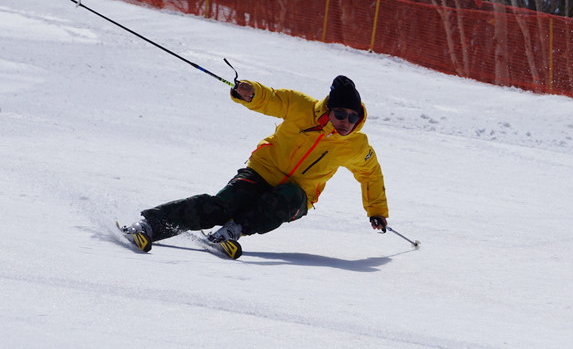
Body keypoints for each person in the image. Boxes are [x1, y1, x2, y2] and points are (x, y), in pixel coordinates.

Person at [119, 75, 389, 259]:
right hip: (263, 170)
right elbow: (270, 98)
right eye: (340, 114)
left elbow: (370, 173)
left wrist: (376, 211)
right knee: (222, 205)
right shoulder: (300, 106)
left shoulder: (356, 145)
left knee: (287, 197)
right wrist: (250, 92)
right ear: (328, 109)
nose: (346, 121)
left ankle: (231, 231)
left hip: (299, 193)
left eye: (353, 117)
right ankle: (149, 225)